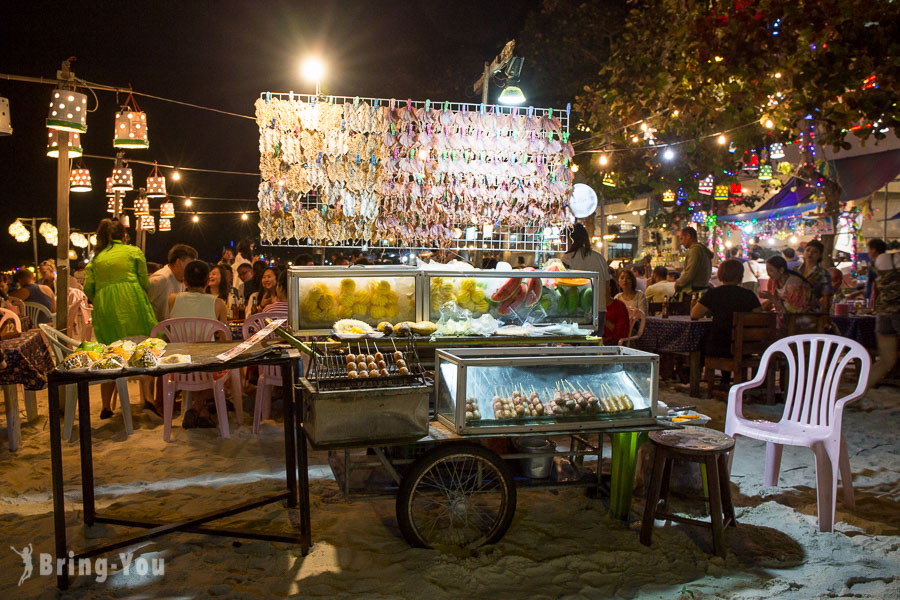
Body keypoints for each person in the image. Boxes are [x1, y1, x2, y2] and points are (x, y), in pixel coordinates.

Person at [83, 219, 157, 419]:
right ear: (123, 237)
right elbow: (144, 280)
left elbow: (88, 288)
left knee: (110, 353)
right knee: (144, 349)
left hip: (106, 307)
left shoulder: (96, 260)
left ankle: (106, 406)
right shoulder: (132, 252)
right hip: (132, 302)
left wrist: (103, 296)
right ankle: (149, 398)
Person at [691, 259, 762, 387]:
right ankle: (727, 380)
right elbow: (759, 316)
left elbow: (694, 314)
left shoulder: (713, 294)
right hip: (745, 347)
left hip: (719, 346)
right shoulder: (749, 295)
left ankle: (697, 381)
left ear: (720, 275)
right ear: (740, 275)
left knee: (702, 342)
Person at [562, 223, 611, 328]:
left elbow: (564, 287)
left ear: (571, 239)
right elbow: (607, 286)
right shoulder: (600, 258)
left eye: (564, 239)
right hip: (599, 310)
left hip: (577, 312)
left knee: (576, 343)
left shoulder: (567, 258)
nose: (562, 244)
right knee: (595, 342)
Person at [868, 250, 900, 389]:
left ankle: (859, 391)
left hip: (883, 312)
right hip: (897, 311)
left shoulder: (881, 258)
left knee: (886, 360)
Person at [147, 244, 198, 322]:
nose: (193, 269)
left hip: (172, 331)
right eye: (190, 264)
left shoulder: (182, 280)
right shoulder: (160, 279)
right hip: (155, 331)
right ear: (178, 262)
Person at [760, 255, 812, 327]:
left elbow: (793, 309)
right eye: (767, 271)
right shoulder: (773, 281)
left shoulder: (794, 283)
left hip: (801, 317)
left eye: (771, 270)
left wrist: (772, 299)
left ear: (781, 270)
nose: (768, 274)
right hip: (785, 315)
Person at [675, 226, 714, 296]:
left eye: (682, 239)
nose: (681, 242)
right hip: (701, 288)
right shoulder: (701, 250)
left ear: (688, 236)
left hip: (694, 291)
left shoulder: (695, 250)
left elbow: (690, 272)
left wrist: (678, 283)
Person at [798, 239, 833, 312]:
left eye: (815, 252)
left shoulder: (823, 273)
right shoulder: (795, 270)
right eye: (808, 250)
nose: (810, 253)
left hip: (814, 312)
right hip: (794, 312)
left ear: (820, 255)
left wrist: (825, 314)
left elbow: (826, 296)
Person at [603, 279, 630, 344]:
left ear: (609, 288)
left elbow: (621, 333)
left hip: (612, 343)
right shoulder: (592, 305)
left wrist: (602, 319)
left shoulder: (619, 306)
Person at [865, 238, 886, 304]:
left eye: (869, 249)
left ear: (874, 250)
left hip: (875, 302)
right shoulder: (887, 264)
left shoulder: (874, 265)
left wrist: (873, 303)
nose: (868, 252)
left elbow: (875, 286)